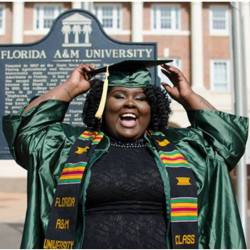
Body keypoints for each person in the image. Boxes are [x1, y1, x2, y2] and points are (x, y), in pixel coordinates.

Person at [2, 60, 248, 249]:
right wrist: (69, 89)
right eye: (119, 96)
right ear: (102, 105)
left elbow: (226, 143)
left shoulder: (183, 149)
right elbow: (27, 132)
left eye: (140, 98)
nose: (130, 103)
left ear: (152, 110)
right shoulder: (69, 147)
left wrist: (189, 97)